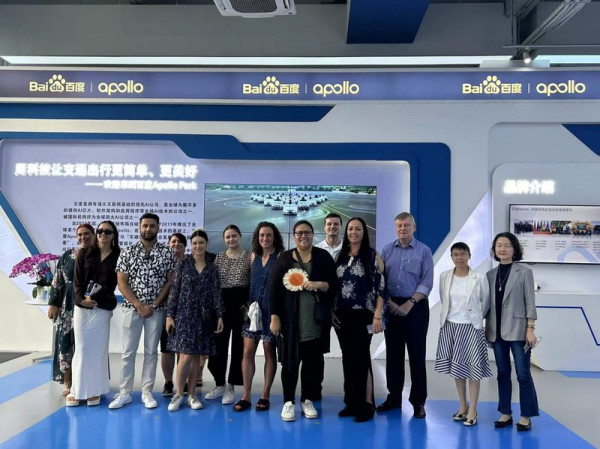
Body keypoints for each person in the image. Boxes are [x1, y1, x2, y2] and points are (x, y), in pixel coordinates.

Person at [270, 220, 337, 422]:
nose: (303, 236)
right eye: (299, 233)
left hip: (315, 323)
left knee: (312, 365)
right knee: (289, 365)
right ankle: (288, 402)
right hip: (290, 324)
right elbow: (273, 292)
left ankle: (307, 400)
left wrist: (319, 284)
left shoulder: (323, 257)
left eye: (307, 232)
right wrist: (274, 317)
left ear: (312, 234)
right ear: (294, 235)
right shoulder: (284, 259)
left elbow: (333, 286)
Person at [109, 212, 176, 409]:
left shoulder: (167, 252)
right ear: (139, 227)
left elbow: (169, 281)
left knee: (150, 352)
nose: (148, 229)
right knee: (128, 353)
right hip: (132, 309)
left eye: (152, 226)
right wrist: (139, 305)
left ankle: (147, 392)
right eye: (145, 225)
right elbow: (122, 283)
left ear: (158, 228)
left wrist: (154, 304)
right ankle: (125, 393)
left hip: (156, 311)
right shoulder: (127, 252)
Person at [377, 212, 433, 418]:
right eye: (399, 225)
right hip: (391, 306)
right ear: (395, 228)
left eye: (407, 225)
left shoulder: (424, 251)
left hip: (416, 306)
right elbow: (380, 280)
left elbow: (427, 281)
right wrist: (390, 303)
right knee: (393, 354)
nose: (403, 229)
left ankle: (418, 402)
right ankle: (393, 397)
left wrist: (410, 303)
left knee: (417, 355)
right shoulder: (386, 250)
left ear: (414, 227)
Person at [165, 230, 224, 411]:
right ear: (191, 245)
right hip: (184, 316)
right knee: (185, 356)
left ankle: (191, 395)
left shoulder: (213, 267)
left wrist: (220, 315)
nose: (198, 246)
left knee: (197, 357)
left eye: (201, 243)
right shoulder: (183, 265)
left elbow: (216, 293)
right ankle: (178, 394)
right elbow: (174, 292)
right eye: (195, 243)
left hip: (204, 317)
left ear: (206, 244)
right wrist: (170, 315)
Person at [435, 242, 492, 426]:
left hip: (471, 327)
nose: (459, 257)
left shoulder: (479, 277)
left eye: (462, 254)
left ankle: (473, 409)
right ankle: (462, 406)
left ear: (469, 255)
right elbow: (444, 300)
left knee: (473, 370)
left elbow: (485, 303)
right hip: (450, 326)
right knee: (457, 369)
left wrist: (475, 318)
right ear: (451, 257)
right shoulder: (445, 276)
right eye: (455, 254)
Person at [486, 232, 539, 431]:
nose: (502, 249)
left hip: (518, 331)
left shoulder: (524, 272)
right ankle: (505, 413)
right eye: (499, 245)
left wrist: (530, 329)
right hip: (497, 332)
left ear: (515, 249)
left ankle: (526, 415)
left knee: (523, 374)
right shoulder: (490, 275)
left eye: (507, 245)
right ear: (494, 249)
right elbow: (488, 306)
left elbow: (530, 304)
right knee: (502, 374)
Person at [334, 217, 385, 422]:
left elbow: (381, 288)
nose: (353, 232)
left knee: (362, 356)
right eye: (351, 229)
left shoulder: (372, 255)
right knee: (348, 357)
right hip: (342, 315)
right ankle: (351, 401)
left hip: (364, 314)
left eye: (358, 229)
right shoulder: (340, 255)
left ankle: (367, 403)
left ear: (364, 232)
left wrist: (377, 315)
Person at [67, 221, 120, 406]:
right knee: (81, 348)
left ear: (114, 235)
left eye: (107, 232)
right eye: (100, 231)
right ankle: (77, 389)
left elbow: (117, 282)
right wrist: (82, 299)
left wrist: (98, 298)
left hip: (103, 307)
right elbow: (76, 282)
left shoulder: (118, 256)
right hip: (83, 307)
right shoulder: (84, 253)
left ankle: (95, 391)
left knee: (98, 349)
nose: (103, 234)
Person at [234, 222, 284, 412]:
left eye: (268, 235)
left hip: (272, 312)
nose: (265, 238)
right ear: (257, 237)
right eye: (262, 235)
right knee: (247, 351)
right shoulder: (253, 256)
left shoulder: (280, 257)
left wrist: (277, 315)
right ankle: (246, 395)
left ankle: (265, 395)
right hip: (253, 311)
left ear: (274, 237)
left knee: (269, 351)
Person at [205, 224, 251, 405]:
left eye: (234, 236)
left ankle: (231, 386)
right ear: (224, 239)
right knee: (218, 346)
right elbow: (215, 286)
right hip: (222, 306)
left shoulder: (249, 257)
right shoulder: (219, 258)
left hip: (241, 307)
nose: (231, 239)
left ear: (240, 236)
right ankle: (219, 384)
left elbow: (252, 285)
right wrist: (217, 310)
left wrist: (248, 306)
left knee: (239, 347)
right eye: (227, 237)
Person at [47, 223, 95, 396]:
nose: (83, 237)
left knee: (87, 344)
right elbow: (57, 278)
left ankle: (88, 380)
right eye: (80, 234)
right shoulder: (68, 255)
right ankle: (67, 380)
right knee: (66, 342)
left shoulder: (98, 254)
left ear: (94, 234)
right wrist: (53, 303)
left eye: (87, 234)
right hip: (67, 304)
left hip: (89, 304)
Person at [161, 233, 187, 397]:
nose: (176, 244)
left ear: (185, 245)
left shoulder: (190, 263)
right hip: (165, 311)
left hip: (185, 312)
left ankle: (181, 382)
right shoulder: (163, 263)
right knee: (167, 349)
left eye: (180, 242)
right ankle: (168, 382)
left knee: (182, 349)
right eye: (173, 241)